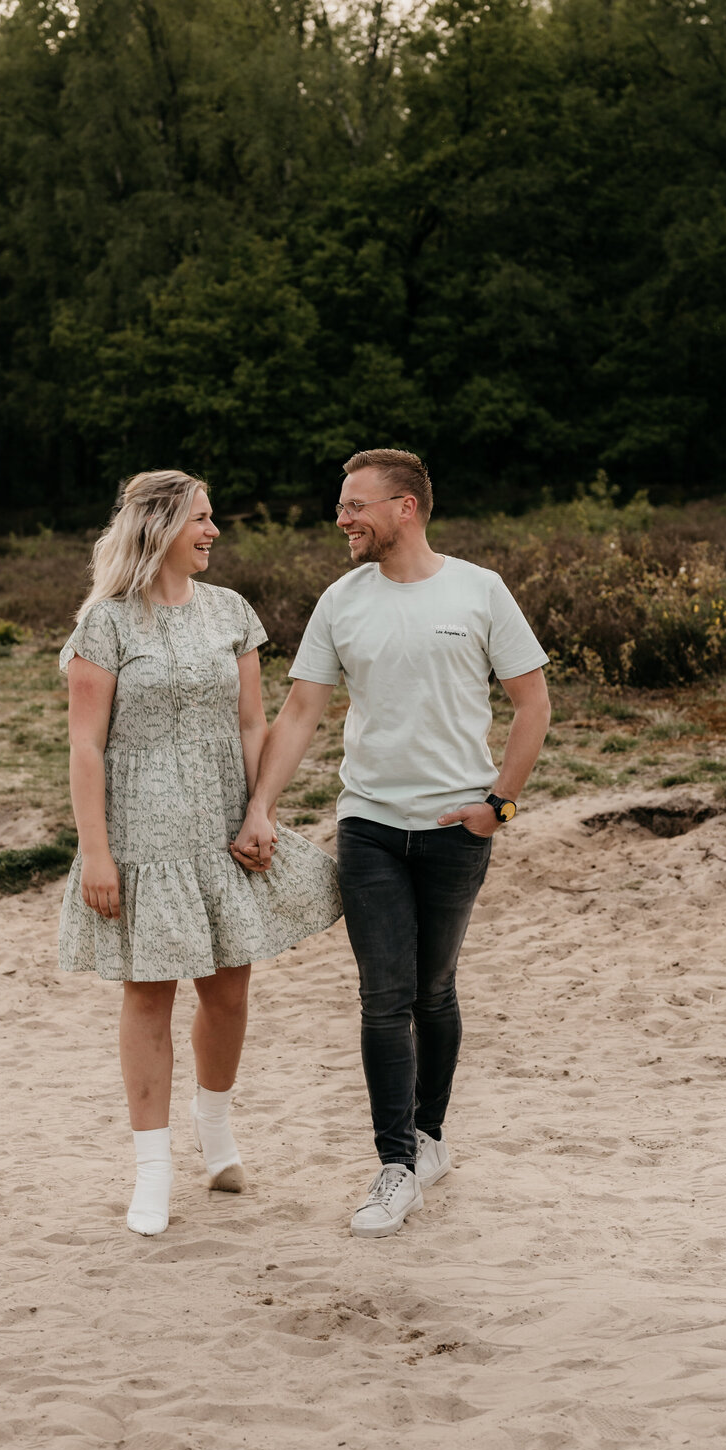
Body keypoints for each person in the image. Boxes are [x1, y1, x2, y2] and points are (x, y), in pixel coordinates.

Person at [232, 449, 551, 1239]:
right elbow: (301, 710)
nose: (342, 519)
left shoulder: (479, 590)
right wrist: (261, 807)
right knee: (384, 994)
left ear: (405, 508)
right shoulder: (341, 601)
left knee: (433, 990)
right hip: (368, 826)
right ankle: (395, 1166)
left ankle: (431, 1135)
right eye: (342, 507)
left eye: (354, 506)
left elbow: (532, 701)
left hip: (455, 830)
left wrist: (498, 806)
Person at [58, 469, 341, 1236]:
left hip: (221, 827)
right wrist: (97, 854)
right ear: (158, 527)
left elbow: (254, 726)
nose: (214, 532)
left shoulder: (232, 613)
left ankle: (215, 1135)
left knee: (228, 990)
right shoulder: (106, 624)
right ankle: (152, 1171)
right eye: (202, 519)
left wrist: (261, 811)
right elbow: (85, 747)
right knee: (148, 995)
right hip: (139, 834)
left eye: (213, 519)